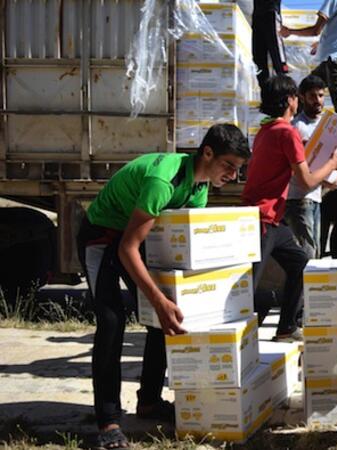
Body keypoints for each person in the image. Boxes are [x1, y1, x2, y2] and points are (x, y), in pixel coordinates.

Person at [76, 124, 250, 449]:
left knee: (165, 317)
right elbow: (127, 248)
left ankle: (149, 402)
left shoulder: (199, 187)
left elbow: (184, 245)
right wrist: (157, 299)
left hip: (132, 237)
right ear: (207, 153)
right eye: (229, 166)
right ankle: (108, 422)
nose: (233, 175)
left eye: (238, 169)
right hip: (102, 235)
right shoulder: (164, 181)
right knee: (112, 322)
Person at [242, 74, 337, 342]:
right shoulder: (287, 132)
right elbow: (307, 181)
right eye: (296, 96)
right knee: (249, 284)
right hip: (262, 218)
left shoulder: (266, 131)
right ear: (291, 100)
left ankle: (286, 327)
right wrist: (334, 164)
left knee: (301, 262)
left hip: (270, 218)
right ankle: (234, 339)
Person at [280, 0, 337, 164]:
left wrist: (289, 31)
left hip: (334, 63)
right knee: (303, 93)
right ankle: (290, 139)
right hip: (332, 61)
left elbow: (316, 30)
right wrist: (321, 44)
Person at [285, 75, 327, 259]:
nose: (317, 100)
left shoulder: (327, 124)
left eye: (321, 95)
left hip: (315, 195)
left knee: (315, 251)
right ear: (302, 97)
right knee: (307, 254)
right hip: (299, 198)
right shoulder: (297, 126)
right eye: (312, 96)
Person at [252, 0, 289, 87]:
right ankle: (265, 91)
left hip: (271, 12)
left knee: (277, 55)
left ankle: (285, 87)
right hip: (257, 16)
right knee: (259, 59)